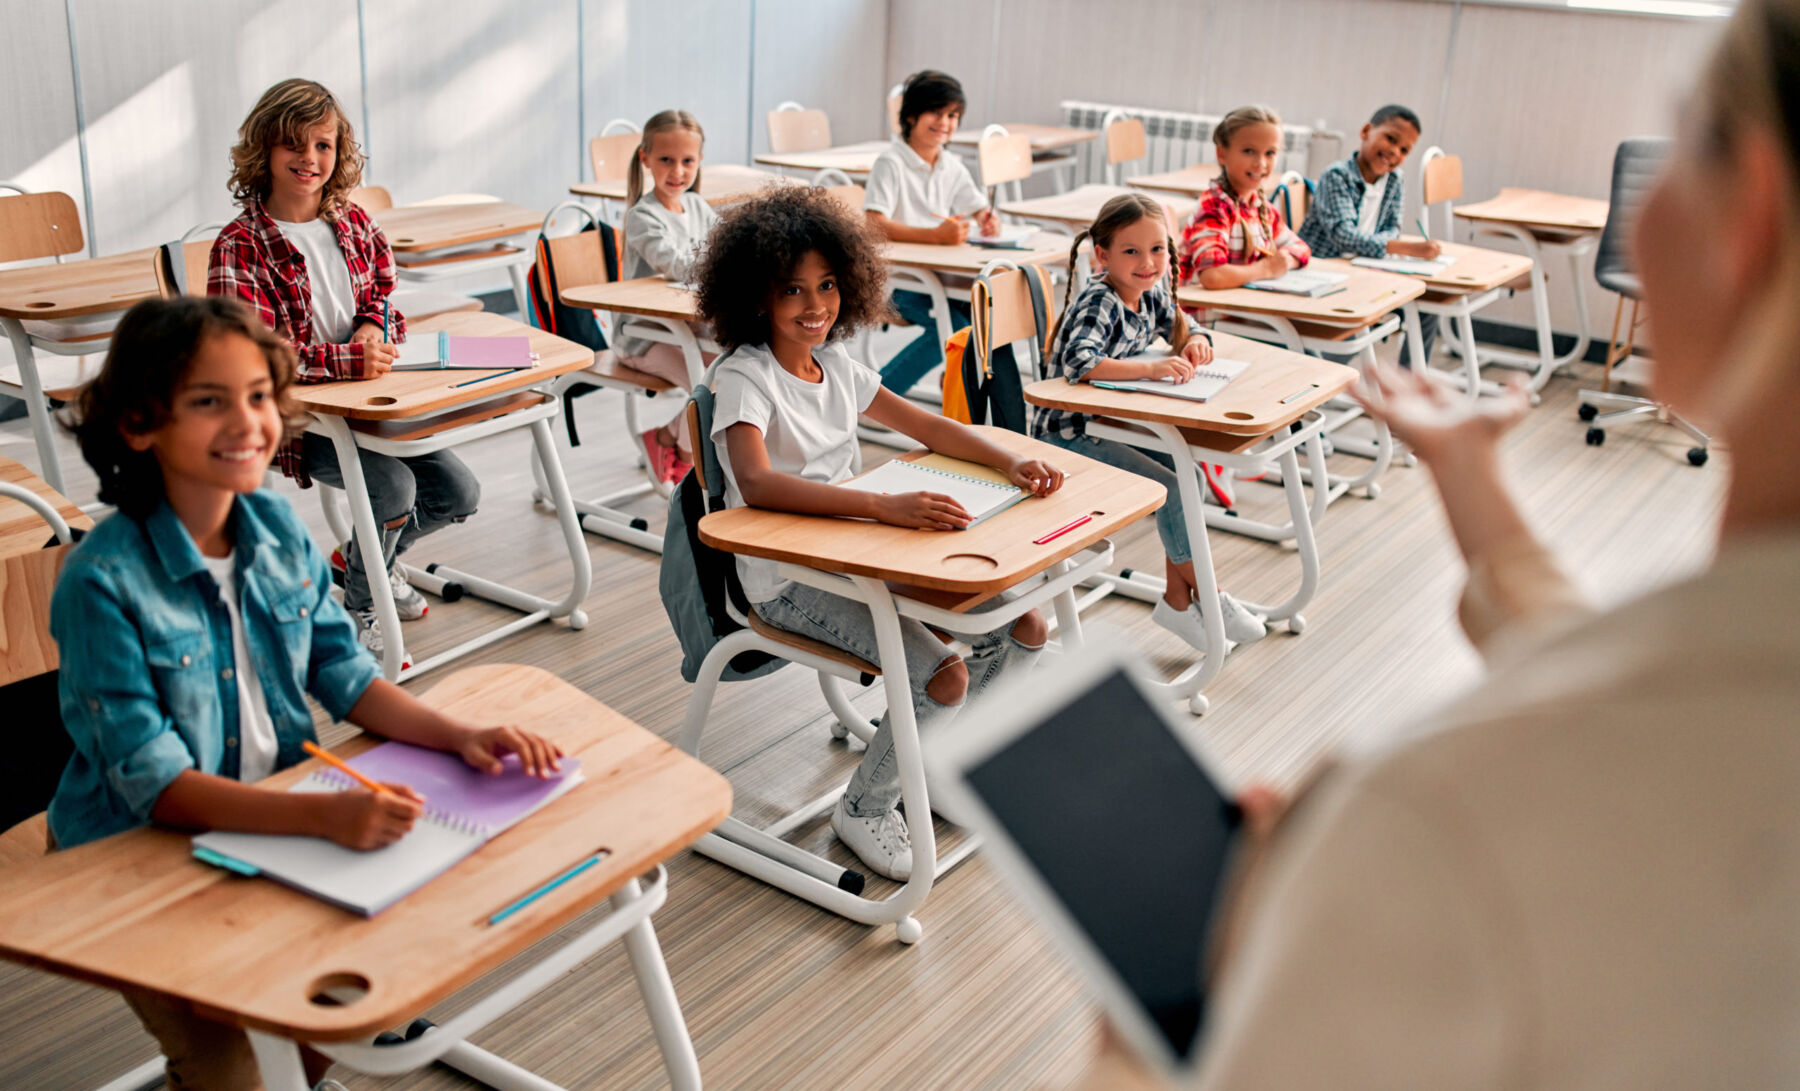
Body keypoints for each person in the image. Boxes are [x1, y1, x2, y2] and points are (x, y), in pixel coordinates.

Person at [1089, 2, 1800, 1085]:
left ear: (1745, 217)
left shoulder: (1431, 819)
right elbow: (1659, 695)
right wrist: (1475, 489)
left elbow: (1624, 717)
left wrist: (1138, 1034)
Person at [49, 295, 563, 1090]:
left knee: (358, 1003)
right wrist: (322, 815)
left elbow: (346, 675)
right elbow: (154, 785)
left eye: (258, 396)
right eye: (209, 401)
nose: (247, 422)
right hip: (139, 849)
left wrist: (455, 734)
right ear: (140, 423)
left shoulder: (279, 531)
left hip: (273, 814)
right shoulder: (101, 582)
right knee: (233, 1068)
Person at [693, 187, 1062, 881]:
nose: (816, 305)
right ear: (755, 297)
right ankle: (864, 808)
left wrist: (1007, 457)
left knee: (1025, 626)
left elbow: (927, 425)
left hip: (861, 550)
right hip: (788, 577)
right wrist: (880, 506)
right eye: (792, 290)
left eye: (828, 285)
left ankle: (942, 765)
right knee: (943, 676)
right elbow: (759, 483)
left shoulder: (835, 362)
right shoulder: (745, 376)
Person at [208, 77, 479, 659]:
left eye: (323, 146)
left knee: (459, 491)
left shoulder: (353, 222)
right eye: (293, 146)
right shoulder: (239, 245)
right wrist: (346, 359)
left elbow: (382, 292)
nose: (309, 159)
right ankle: (364, 606)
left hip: (370, 406)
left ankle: (363, 563)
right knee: (393, 488)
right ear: (264, 150)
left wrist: (375, 328)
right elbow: (255, 360)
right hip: (301, 419)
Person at [1032, 193, 1267, 651]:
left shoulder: (1150, 293)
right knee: (1174, 488)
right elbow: (1081, 363)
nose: (1148, 263)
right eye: (1132, 251)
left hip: (1112, 426)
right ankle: (1209, 597)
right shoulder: (1099, 300)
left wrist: (1195, 342)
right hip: (1068, 436)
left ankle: (1178, 600)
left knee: (1188, 474)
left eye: (1158, 249)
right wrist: (1151, 367)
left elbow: (1183, 325)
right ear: (1102, 255)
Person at [863, 69, 999, 394]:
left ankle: (955, 384)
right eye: (936, 113)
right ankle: (875, 399)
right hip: (902, 281)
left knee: (986, 314)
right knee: (955, 327)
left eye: (952, 115)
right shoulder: (891, 163)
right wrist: (935, 237)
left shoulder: (949, 163)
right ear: (911, 115)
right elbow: (873, 224)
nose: (945, 122)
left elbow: (978, 205)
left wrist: (987, 218)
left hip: (941, 276)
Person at [617, 108, 720, 480]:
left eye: (687, 161)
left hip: (689, 330)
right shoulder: (642, 216)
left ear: (700, 161)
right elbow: (675, 264)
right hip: (643, 337)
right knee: (715, 390)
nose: (677, 172)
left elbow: (723, 247)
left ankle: (664, 438)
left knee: (740, 373)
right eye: (666, 160)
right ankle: (683, 454)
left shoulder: (697, 206)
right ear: (645, 158)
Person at [1297, 103, 1440, 366]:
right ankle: (1327, 369)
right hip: (1327, 271)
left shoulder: (1395, 180)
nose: (1394, 152)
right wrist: (1405, 248)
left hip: (1363, 268)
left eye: (1404, 150)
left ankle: (1409, 386)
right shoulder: (1336, 176)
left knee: (1428, 304)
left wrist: (1389, 245)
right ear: (1366, 131)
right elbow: (1344, 237)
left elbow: (1392, 227)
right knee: (1371, 312)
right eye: (1390, 139)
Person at [1177, 106, 1311, 291]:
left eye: (1270, 153)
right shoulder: (1214, 207)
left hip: (1241, 310)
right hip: (1207, 316)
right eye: (1249, 151)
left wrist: (1284, 261)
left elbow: (1301, 248)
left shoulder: (1260, 206)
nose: (1261, 163)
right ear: (1222, 154)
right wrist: (1266, 268)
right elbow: (1212, 276)